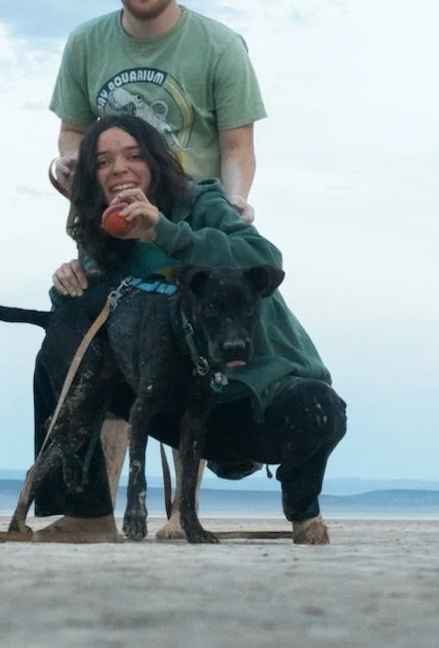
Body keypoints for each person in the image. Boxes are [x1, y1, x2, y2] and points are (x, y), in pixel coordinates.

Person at [31, 112, 345, 543]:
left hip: (251, 397)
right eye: (102, 162)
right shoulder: (102, 235)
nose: (118, 168)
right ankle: (85, 512)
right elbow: (87, 321)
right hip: (177, 403)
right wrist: (68, 286)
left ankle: (303, 512)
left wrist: (163, 230)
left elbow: (264, 258)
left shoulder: (200, 204)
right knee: (60, 338)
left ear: (157, 162)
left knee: (320, 407)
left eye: (133, 156)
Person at [49, 0, 263, 218]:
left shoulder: (222, 45)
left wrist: (235, 202)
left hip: (195, 225)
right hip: (115, 222)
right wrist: (71, 159)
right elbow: (73, 129)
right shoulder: (83, 42)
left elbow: (237, 145)